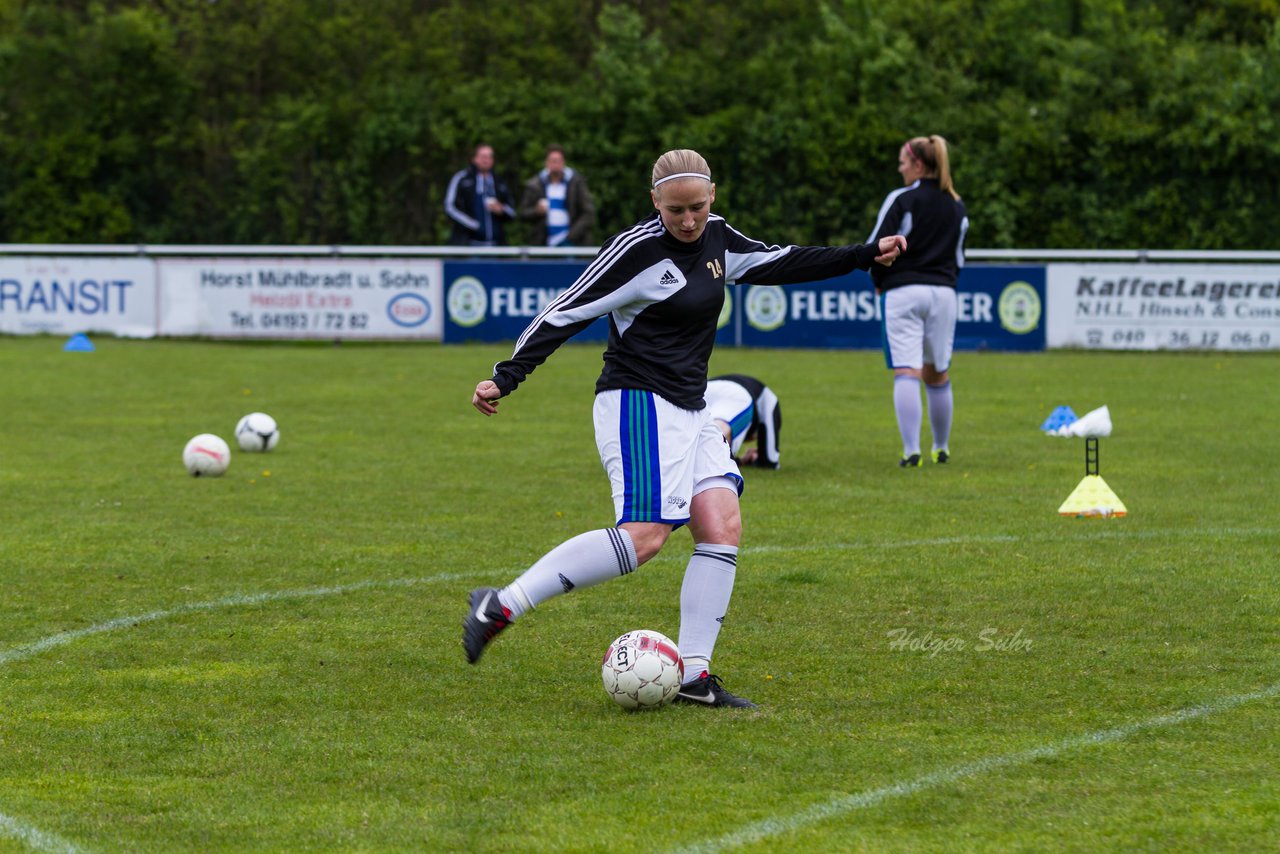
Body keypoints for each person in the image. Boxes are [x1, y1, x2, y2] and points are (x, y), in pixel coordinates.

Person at [463, 149, 905, 709]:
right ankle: (499, 605)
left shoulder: (719, 238)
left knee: (721, 526)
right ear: (656, 202)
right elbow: (565, 311)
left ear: (712, 196)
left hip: (692, 409)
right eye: (676, 211)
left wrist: (866, 255)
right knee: (645, 537)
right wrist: (506, 376)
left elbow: (783, 261)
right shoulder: (635, 251)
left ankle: (694, 677)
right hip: (637, 403)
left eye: (697, 207)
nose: (689, 221)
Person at [866, 135, 969, 467]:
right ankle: (941, 447)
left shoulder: (902, 199)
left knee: (906, 371)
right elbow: (959, 259)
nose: (899, 168)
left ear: (919, 165)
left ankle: (912, 451)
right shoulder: (957, 205)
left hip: (903, 291)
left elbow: (876, 247)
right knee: (938, 372)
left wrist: (879, 282)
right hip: (944, 294)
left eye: (902, 161)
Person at [519, 145, 596, 247]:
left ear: (564, 162)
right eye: (552, 160)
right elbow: (523, 213)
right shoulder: (535, 184)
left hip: (571, 242)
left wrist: (570, 236)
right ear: (546, 162)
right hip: (543, 243)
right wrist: (536, 211)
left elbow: (588, 213)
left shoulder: (576, 182)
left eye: (558, 160)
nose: (555, 163)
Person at [444, 143, 518, 246]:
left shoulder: (499, 181)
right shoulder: (462, 178)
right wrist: (472, 224)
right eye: (483, 156)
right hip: (469, 244)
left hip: (496, 245)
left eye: (489, 157)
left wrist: (501, 210)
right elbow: (449, 207)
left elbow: (512, 211)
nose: (486, 160)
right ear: (474, 159)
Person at [705, 374, 781, 469]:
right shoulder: (768, 398)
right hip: (736, 394)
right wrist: (760, 458)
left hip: (704, 388)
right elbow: (770, 460)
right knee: (714, 440)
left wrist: (741, 460)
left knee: (702, 437)